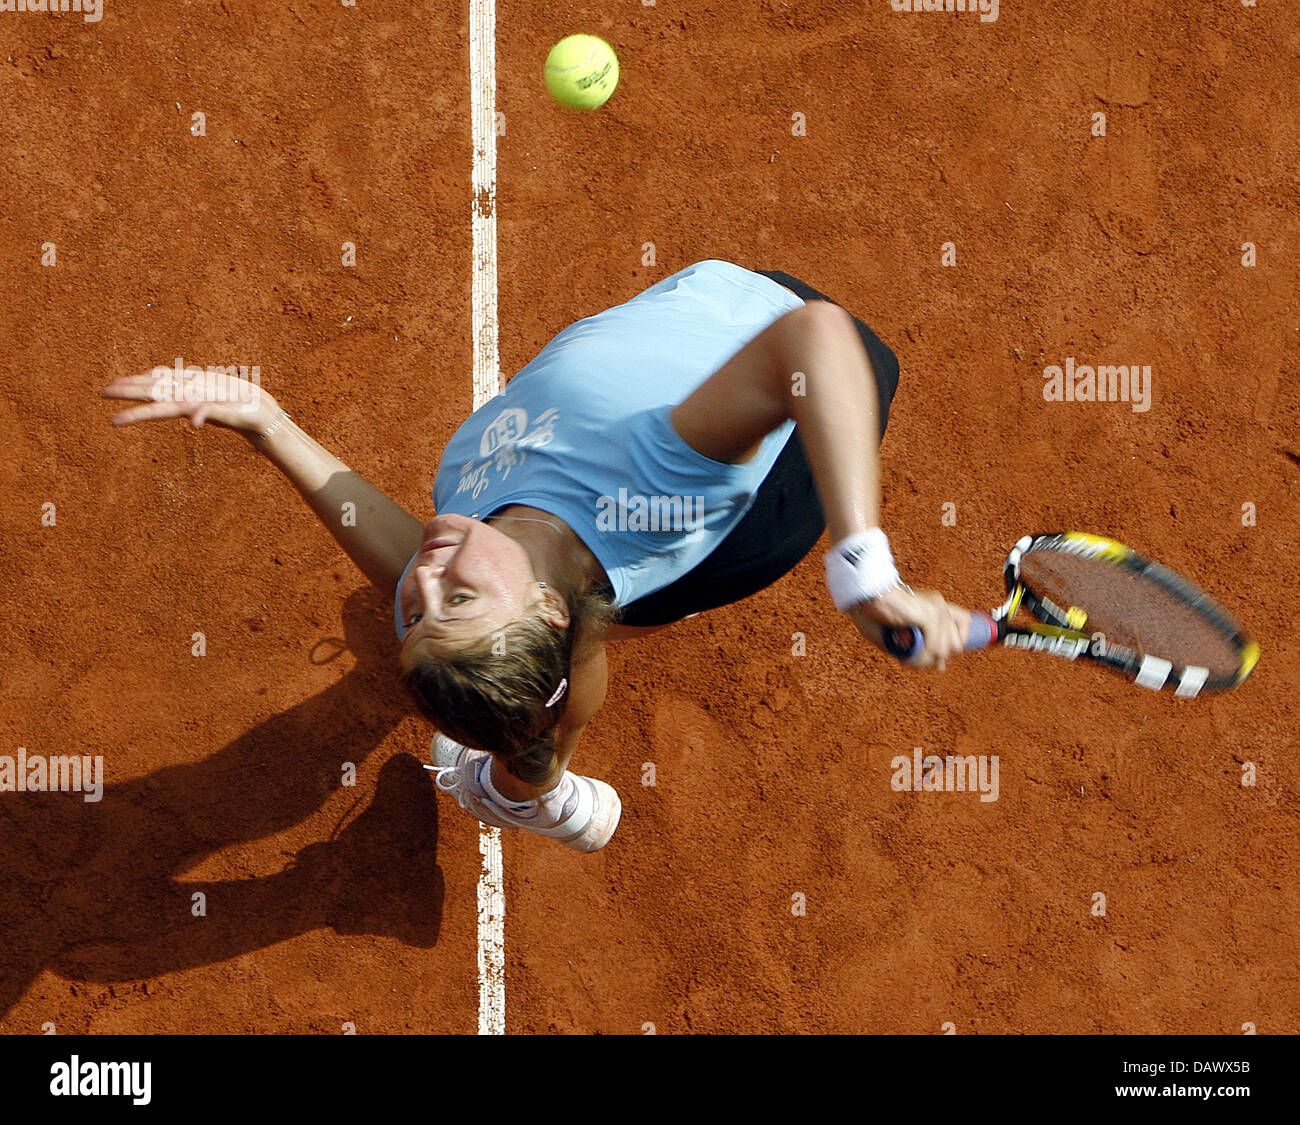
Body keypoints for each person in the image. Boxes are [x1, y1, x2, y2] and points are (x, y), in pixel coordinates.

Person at [102, 260, 970, 853]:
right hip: (792, 431)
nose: (426, 573)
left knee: (518, 658)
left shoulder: (472, 545)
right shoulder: (651, 479)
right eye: (458, 599)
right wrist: (862, 565)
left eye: (416, 611)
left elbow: (413, 566)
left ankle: (525, 779)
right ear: (543, 606)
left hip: (725, 305)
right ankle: (532, 789)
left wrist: (268, 423)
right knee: (583, 642)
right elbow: (819, 338)